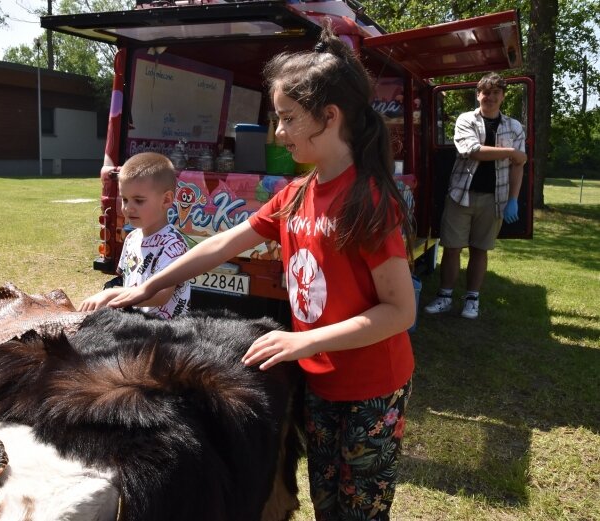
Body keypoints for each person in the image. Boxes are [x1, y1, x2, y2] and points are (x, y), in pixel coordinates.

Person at [109, 21, 416, 521]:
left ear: (329, 117)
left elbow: (399, 311)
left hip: (372, 388)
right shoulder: (296, 193)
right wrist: (150, 285)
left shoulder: (369, 201)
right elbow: (225, 243)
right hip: (319, 379)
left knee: (361, 511)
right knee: (326, 501)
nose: (278, 132)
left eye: (288, 118)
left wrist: (304, 342)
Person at [424, 73, 526, 319]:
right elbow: (473, 151)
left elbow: (518, 166)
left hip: (496, 199)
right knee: (452, 248)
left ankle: (472, 299)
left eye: (495, 93)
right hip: (461, 195)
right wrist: (511, 151)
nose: (490, 97)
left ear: (502, 96)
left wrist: (513, 199)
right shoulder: (465, 119)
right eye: (485, 92)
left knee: (480, 250)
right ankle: (445, 297)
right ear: (478, 94)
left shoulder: (514, 126)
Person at [79, 151, 190, 319]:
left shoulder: (173, 245)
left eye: (138, 200)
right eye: (124, 199)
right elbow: (127, 280)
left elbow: (161, 295)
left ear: (166, 200)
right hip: (136, 325)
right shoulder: (131, 239)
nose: (128, 208)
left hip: (167, 334)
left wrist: (112, 296)